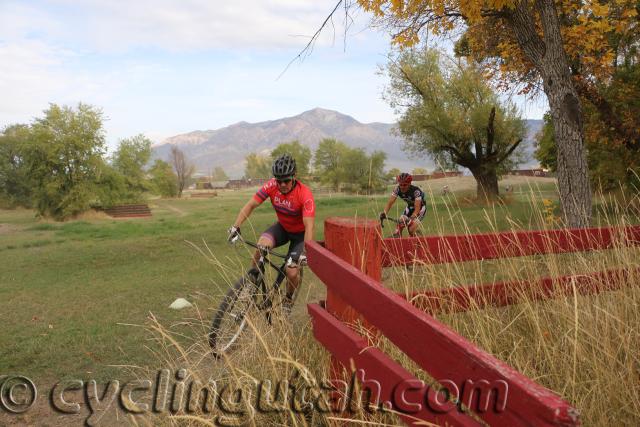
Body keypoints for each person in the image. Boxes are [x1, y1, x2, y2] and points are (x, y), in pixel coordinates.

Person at [228, 153, 315, 311]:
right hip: (282, 227)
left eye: (286, 180)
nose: (282, 184)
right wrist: (236, 226)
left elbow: (309, 225)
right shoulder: (271, 186)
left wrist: (305, 252)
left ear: (294, 176)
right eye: (278, 180)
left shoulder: (304, 194)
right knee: (261, 246)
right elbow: (250, 205)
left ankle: (288, 300)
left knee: (292, 272)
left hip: (300, 236)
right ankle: (251, 282)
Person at [379, 172, 426, 238]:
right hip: (410, 207)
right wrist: (384, 213)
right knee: (400, 222)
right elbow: (390, 202)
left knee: (411, 229)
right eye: (401, 185)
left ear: (409, 184)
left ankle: (418, 240)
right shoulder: (397, 189)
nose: (402, 187)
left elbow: (417, 208)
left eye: (405, 185)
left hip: (420, 209)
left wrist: (411, 218)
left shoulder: (416, 191)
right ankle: (397, 237)